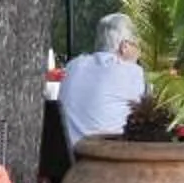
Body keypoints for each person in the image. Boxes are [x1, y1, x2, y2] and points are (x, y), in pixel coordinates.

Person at [58, 12, 147, 143]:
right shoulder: (131, 72)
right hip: (105, 157)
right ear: (125, 46)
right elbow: (145, 116)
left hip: (65, 156)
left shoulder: (73, 66)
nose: (139, 52)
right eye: (137, 45)